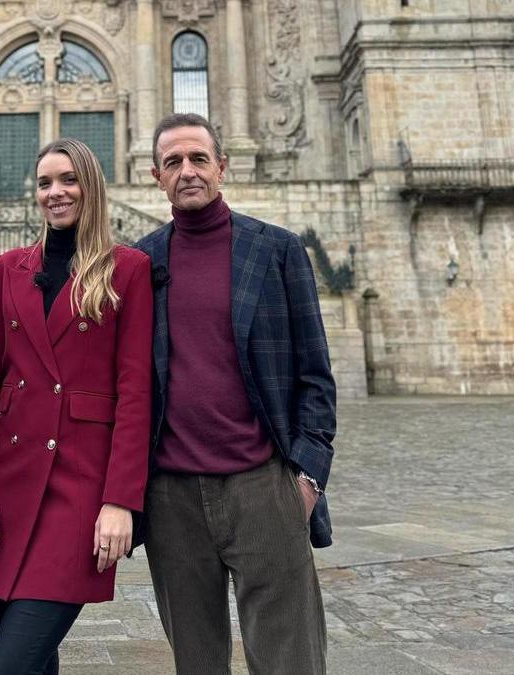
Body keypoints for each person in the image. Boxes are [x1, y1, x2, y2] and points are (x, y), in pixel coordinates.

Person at [133, 113, 337, 674]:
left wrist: (307, 476)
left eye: (199, 158)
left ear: (222, 166)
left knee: (290, 659)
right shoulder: (138, 262)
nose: (188, 171)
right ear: (156, 176)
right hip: (172, 495)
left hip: (262, 485)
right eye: (173, 162)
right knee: (196, 663)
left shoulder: (276, 250)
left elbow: (314, 374)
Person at [0, 138, 153, 675]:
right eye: (45, 182)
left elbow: (135, 393)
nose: (56, 192)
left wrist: (121, 501)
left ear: (90, 185)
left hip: (80, 491)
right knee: (33, 662)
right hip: (10, 489)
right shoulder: (9, 268)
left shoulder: (128, 269)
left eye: (68, 180)